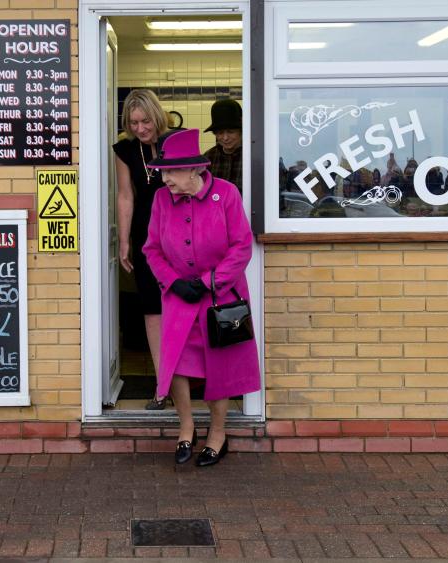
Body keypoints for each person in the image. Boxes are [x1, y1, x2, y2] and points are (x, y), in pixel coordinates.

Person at [142, 128, 260, 466]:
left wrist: (212, 281)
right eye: (162, 172)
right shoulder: (162, 200)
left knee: (219, 366)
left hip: (221, 297)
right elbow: (151, 248)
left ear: (195, 169)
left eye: (172, 172)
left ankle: (218, 434)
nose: (165, 179)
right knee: (176, 363)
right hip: (179, 296)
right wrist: (172, 281)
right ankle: (186, 428)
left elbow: (241, 245)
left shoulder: (226, 194)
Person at [112, 89, 171, 410]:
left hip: (180, 237)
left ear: (156, 116)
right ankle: (163, 387)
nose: (139, 128)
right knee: (153, 310)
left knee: (185, 308)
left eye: (145, 120)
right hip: (146, 239)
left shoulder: (177, 141)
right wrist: (124, 241)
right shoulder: (125, 150)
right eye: (133, 122)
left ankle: (188, 381)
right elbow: (125, 196)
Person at [203, 98, 243, 192]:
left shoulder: (254, 156)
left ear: (241, 131)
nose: (225, 138)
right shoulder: (208, 158)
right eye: (220, 133)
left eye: (231, 132)